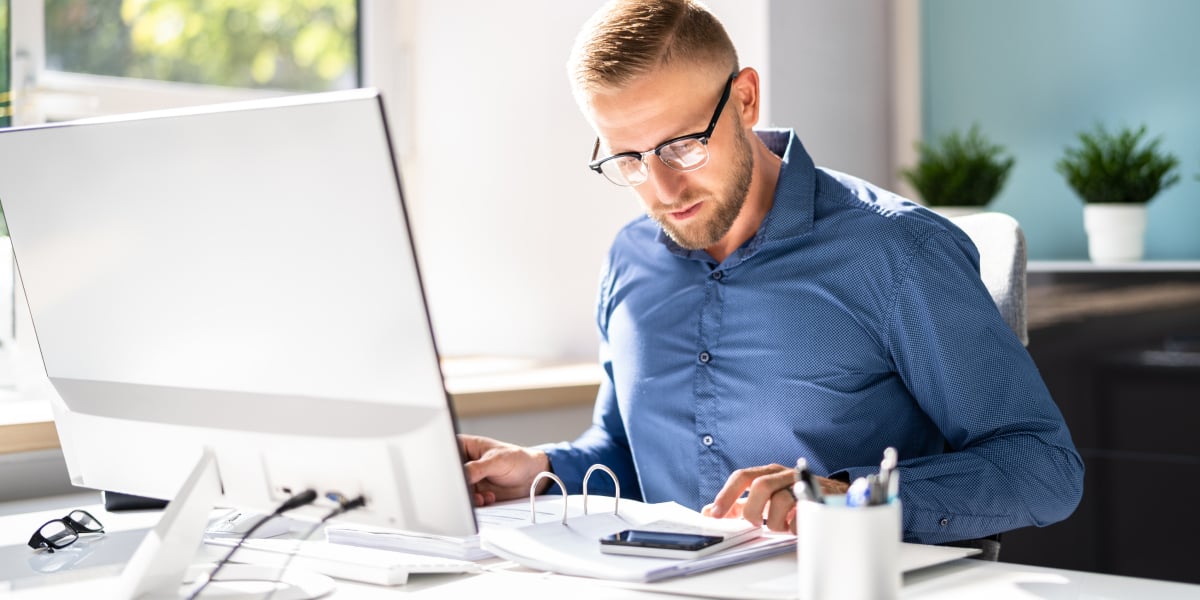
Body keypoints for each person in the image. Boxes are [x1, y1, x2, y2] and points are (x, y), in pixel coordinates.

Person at [458, 0, 1083, 545]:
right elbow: (623, 450)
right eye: (628, 159)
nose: (662, 188)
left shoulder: (895, 251)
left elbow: (1045, 468)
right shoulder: (631, 259)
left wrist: (843, 498)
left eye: (681, 146)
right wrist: (541, 466)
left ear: (747, 99)